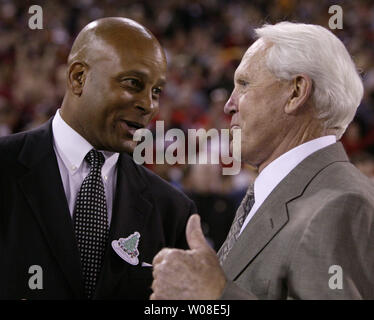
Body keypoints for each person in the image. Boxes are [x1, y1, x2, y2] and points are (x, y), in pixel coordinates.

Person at [151, 22, 374, 300]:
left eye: (244, 84)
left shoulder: (342, 205)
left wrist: (213, 294)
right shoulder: (278, 191)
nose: (228, 104)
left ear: (295, 92)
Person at [0, 17, 196, 300]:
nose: (149, 105)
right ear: (78, 77)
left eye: (156, 91)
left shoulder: (173, 211)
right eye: (133, 83)